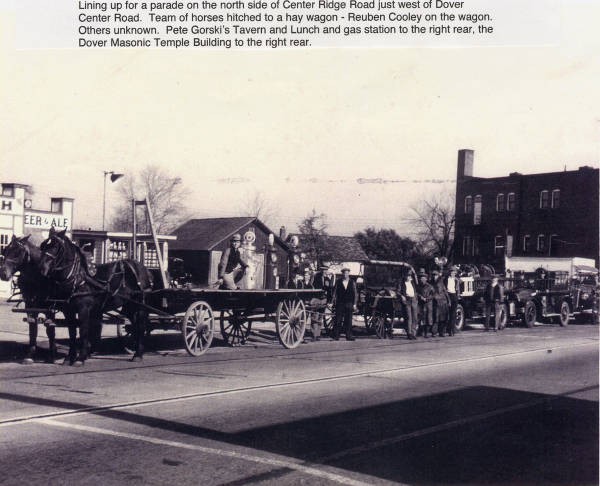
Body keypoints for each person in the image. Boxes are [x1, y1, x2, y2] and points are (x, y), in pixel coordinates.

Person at [332, 268, 357, 341]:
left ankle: (348, 336)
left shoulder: (352, 282)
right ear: (342, 274)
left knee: (348, 320)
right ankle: (336, 336)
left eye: (347, 273)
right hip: (340, 303)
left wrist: (355, 304)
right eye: (344, 273)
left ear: (349, 274)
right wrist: (332, 302)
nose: (345, 274)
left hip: (349, 303)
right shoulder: (338, 282)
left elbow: (355, 294)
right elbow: (335, 293)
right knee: (338, 319)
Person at [416, 268, 435, 338]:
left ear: (426, 279)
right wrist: (420, 297)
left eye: (423, 278)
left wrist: (427, 299)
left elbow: (433, 295)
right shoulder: (418, 287)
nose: (422, 280)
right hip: (421, 304)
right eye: (421, 278)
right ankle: (422, 332)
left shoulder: (430, 287)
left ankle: (428, 332)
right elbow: (416, 293)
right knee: (422, 318)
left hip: (429, 304)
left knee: (429, 318)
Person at [400, 272, 419, 340]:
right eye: (408, 276)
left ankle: (414, 333)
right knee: (409, 317)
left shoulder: (413, 283)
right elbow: (398, 291)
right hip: (407, 300)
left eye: (410, 276)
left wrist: (416, 299)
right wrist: (402, 296)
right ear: (405, 277)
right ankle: (409, 333)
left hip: (413, 300)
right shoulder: (402, 284)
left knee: (415, 317)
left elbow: (416, 291)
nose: (409, 277)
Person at [431, 269, 449, 337]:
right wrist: (434, 297)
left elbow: (445, 292)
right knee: (436, 318)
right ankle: (434, 332)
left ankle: (442, 332)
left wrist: (448, 300)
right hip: (436, 302)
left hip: (443, 302)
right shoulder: (431, 283)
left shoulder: (441, 282)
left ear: (438, 276)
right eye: (433, 275)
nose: (434, 276)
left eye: (435, 275)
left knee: (444, 318)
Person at [444, 266, 461, 336]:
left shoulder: (456, 280)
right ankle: (446, 329)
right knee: (447, 313)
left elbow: (457, 289)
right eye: (451, 272)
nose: (453, 274)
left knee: (453, 314)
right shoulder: (446, 279)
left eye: (454, 272)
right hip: (448, 295)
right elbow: (444, 288)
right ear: (449, 273)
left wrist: (457, 296)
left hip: (454, 296)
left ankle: (452, 330)